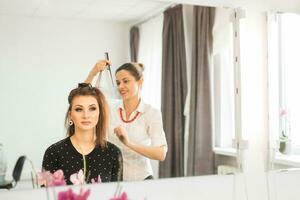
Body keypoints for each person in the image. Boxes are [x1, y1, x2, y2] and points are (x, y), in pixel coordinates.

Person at [85, 61, 168, 181]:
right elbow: (82, 98)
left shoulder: (151, 113)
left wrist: (128, 143)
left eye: (126, 81)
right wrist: (93, 73)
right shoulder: (110, 107)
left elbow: (161, 154)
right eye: (118, 83)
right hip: (112, 180)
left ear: (140, 81)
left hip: (141, 179)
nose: (120, 86)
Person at [42, 83, 122, 185]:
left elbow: (117, 195)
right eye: (79, 109)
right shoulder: (53, 153)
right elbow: (46, 195)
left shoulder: (113, 153)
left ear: (99, 113)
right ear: (70, 115)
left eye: (92, 108)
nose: (86, 115)